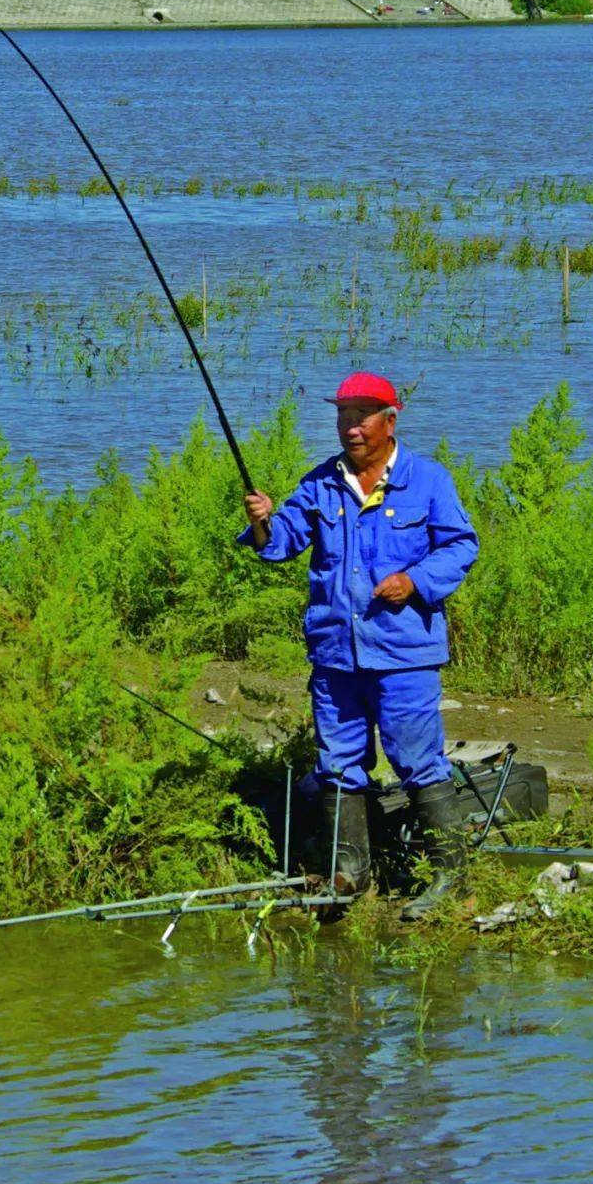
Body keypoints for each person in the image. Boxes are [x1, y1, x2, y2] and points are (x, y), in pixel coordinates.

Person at [239, 372, 479, 918]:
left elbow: (462, 546)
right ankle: (349, 875)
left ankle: (453, 884)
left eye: (362, 417)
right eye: (344, 416)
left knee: (418, 760)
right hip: (335, 655)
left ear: (389, 421)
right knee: (339, 763)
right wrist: (260, 522)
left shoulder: (428, 481)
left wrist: (415, 580)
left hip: (403, 655)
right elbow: (278, 546)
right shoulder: (320, 484)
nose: (351, 428)